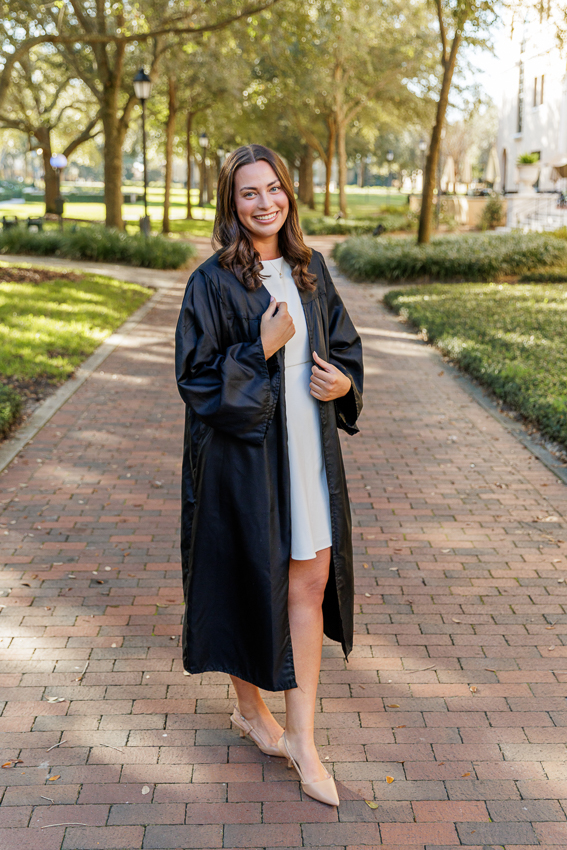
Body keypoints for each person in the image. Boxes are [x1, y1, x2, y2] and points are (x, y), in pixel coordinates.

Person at [175, 144, 363, 807]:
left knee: (307, 585)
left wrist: (343, 383)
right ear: (231, 203)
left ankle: (303, 740)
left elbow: (344, 346)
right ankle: (253, 711)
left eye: (273, 188)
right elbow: (195, 380)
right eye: (249, 192)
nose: (265, 202)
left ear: (289, 192)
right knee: (248, 581)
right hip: (243, 460)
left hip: (308, 450)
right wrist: (259, 347)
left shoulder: (311, 270)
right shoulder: (211, 282)